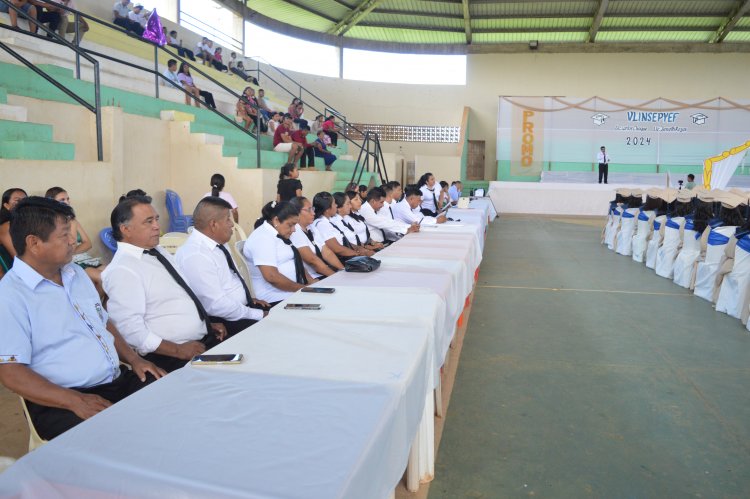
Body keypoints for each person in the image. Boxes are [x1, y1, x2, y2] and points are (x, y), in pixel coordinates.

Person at [0, 197, 164, 441]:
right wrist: (74, 401)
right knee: (119, 439)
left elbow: (103, 322)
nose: (73, 242)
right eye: (64, 235)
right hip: (61, 399)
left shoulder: (74, 273)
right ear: (34, 243)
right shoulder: (11, 295)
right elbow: (10, 371)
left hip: (114, 380)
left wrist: (133, 358)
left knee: (169, 398)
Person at [102, 196, 228, 372]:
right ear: (126, 229)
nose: (156, 226)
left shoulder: (157, 251)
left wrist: (205, 322)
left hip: (200, 340)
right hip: (171, 355)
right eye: (148, 221)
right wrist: (178, 350)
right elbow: (130, 330)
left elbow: (178, 295)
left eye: (156, 219)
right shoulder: (123, 269)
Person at [175, 197, 267, 337]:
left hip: (239, 310)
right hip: (224, 320)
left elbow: (230, 281)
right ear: (213, 224)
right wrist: (257, 314)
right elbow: (216, 305)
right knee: (276, 329)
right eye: (228, 219)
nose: (232, 224)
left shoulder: (218, 243)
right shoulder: (196, 255)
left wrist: (249, 300)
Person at [243, 201, 314, 305]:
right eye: (290, 225)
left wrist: (311, 282)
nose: (294, 230)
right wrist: (302, 289)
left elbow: (295, 261)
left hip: (292, 291)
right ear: (276, 220)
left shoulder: (278, 234)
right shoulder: (262, 238)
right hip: (274, 296)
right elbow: (272, 276)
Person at [45, 187, 105, 296]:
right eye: (62, 200)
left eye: (68, 199)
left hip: (84, 258)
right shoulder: (51, 223)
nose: (67, 202)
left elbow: (87, 243)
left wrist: (72, 251)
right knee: (103, 279)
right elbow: (71, 243)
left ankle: (104, 310)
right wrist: (72, 223)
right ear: (51, 202)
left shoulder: (72, 219)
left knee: (114, 276)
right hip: (71, 262)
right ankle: (93, 309)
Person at [288, 196, 343, 278]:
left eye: (313, 209)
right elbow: (312, 260)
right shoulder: (294, 231)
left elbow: (327, 252)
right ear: (297, 212)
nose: (313, 213)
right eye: (309, 210)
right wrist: (335, 277)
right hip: (312, 277)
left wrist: (342, 270)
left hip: (323, 273)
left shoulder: (311, 227)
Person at [311, 192, 364, 261]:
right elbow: (337, 248)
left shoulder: (329, 221)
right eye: (334, 204)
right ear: (327, 209)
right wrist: (357, 254)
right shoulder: (322, 224)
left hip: (348, 255)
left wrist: (358, 249)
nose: (336, 205)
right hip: (342, 259)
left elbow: (343, 240)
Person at [0, 188, 28, 272]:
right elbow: (18, 257)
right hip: (14, 272)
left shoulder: (26, 223)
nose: (23, 204)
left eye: (26, 200)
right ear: (6, 205)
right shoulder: (5, 226)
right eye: (17, 200)